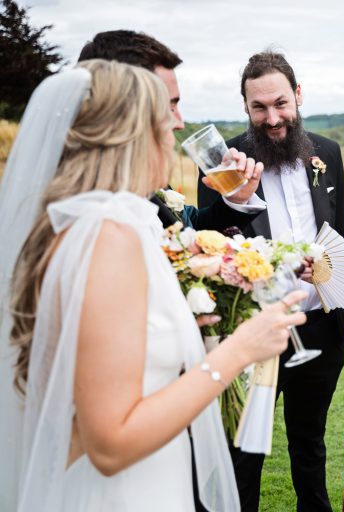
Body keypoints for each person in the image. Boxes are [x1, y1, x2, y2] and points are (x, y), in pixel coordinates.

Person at [0, 60, 307, 511]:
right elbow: (109, 444)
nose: (177, 128)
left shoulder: (90, 224)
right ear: (133, 135)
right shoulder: (108, 237)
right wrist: (241, 349)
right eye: (167, 118)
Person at [197, 50, 344, 511]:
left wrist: (339, 307)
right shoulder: (222, 161)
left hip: (320, 326)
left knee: (311, 445)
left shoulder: (327, 153)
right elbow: (205, 233)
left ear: (298, 96)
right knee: (245, 452)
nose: (273, 117)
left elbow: (337, 232)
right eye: (259, 107)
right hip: (253, 331)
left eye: (281, 103)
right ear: (245, 106)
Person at [78, 29, 264, 231]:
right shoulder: (91, 214)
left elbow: (190, 231)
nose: (180, 123)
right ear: (121, 111)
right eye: (169, 107)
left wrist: (236, 200)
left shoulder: (144, 179)